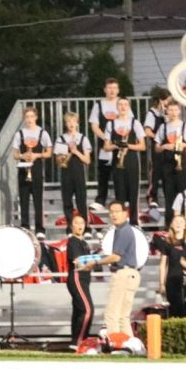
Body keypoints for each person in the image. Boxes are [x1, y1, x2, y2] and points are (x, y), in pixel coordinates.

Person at [97, 202, 141, 337]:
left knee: (112, 313)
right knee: (123, 316)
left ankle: (116, 345)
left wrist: (95, 262)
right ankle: (129, 346)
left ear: (125, 213)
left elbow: (116, 257)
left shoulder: (123, 231)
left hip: (123, 273)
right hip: (132, 273)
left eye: (117, 211)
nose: (114, 215)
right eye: (111, 212)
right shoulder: (125, 230)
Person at [104, 98, 146, 225]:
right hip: (117, 162)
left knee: (134, 192)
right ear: (117, 107)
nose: (123, 107)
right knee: (119, 193)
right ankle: (121, 222)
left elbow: (143, 146)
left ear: (129, 107)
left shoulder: (135, 123)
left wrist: (128, 146)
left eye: (125, 104)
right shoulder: (110, 124)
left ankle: (134, 222)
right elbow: (106, 147)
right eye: (120, 104)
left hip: (132, 160)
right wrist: (116, 146)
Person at [12, 107, 52, 235]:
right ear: (24, 118)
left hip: (37, 169)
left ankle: (40, 228)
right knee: (24, 200)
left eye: (31, 116)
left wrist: (37, 155)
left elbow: (49, 152)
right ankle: (25, 227)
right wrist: (23, 156)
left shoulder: (43, 133)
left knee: (38, 200)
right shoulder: (20, 134)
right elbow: (15, 154)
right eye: (27, 117)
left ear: (36, 117)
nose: (29, 119)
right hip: (23, 169)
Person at [54, 113, 91, 232]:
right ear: (65, 124)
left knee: (81, 200)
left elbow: (87, 160)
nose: (71, 124)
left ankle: (85, 228)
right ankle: (70, 228)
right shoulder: (61, 139)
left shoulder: (83, 138)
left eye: (73, 121)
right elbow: (59, 161)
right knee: (67, 201)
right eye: (68, 121)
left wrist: (76, 152)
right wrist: (68, 152)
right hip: (66, 174)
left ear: (77, 123)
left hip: (79, 173)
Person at [88, 78, 121, 210]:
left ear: (118, 90)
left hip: (120, 146)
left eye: (114, 88)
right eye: (109, 88)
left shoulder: (122, 104)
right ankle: (100, 200)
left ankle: (121, 200)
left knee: (120, 174)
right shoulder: (98, 105)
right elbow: (94, 126)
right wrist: (106, 138)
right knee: (103, 174)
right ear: (105, 90)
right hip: (105, 146)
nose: (112, 90)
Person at [66, 214, 95, 349]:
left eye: (82, 223)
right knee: (87, 310)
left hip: (85, 279)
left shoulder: (83, 243)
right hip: (77, 277)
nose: (80, 226)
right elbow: (77, 261)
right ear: (72, 226)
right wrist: (91, 262)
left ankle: (75, 341)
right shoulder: (73, 241)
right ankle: (79, 342)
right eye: (77, 223)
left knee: (79, 310)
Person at [154, 214, 186, 318]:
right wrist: (161, 284)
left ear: (185, 225)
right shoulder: (167, 243)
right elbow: (163, 264)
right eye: (176, 221)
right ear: (172, 225)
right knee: (174, 310)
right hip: (172, 279)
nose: (178, 224)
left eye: (181, 222)